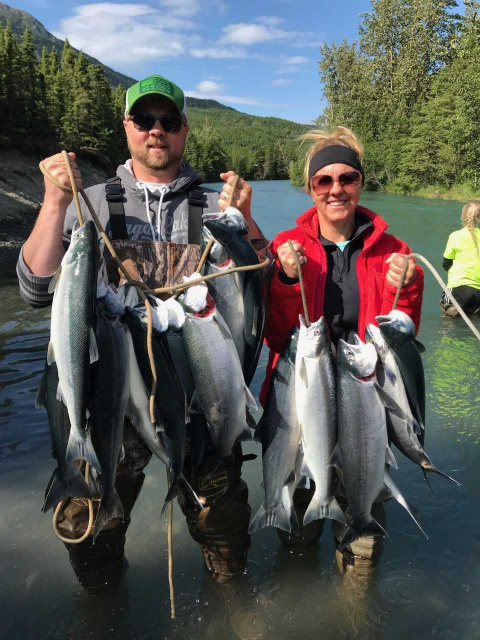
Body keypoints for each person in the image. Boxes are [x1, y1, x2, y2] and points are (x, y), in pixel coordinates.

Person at [17, 73, 266, 591]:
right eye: (145, 120)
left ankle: (231, 608)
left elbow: (257, 290)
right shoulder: (89, 202)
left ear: (184, 130)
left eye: (168, 122)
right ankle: (103, 608)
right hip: (105, 396)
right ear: (127, 127)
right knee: (90, 537)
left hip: (199, 400)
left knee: (225, 539)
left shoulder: (214, 206)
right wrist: (55, 202)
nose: (157, 131)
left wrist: (246, 223)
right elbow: (38, 290)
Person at [260, 126, 424, 577]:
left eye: (347, 178)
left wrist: (408, 287)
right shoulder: (285, 248)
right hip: (301, 403)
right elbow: (276, 336)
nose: (336, 189)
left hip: (365, 403)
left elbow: (401, 337)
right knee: (296, 534)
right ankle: (297, 603)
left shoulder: (396, 253)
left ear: (360, 183)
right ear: (311, 188)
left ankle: (356, 613)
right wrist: (288, 280)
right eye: (323, 180)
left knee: (363, 540)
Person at [440, 200, 480, 317]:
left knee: (448, 321)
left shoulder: (455, 236)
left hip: (458, 288)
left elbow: (446, 263)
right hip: (478, 292)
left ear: (462, 217)